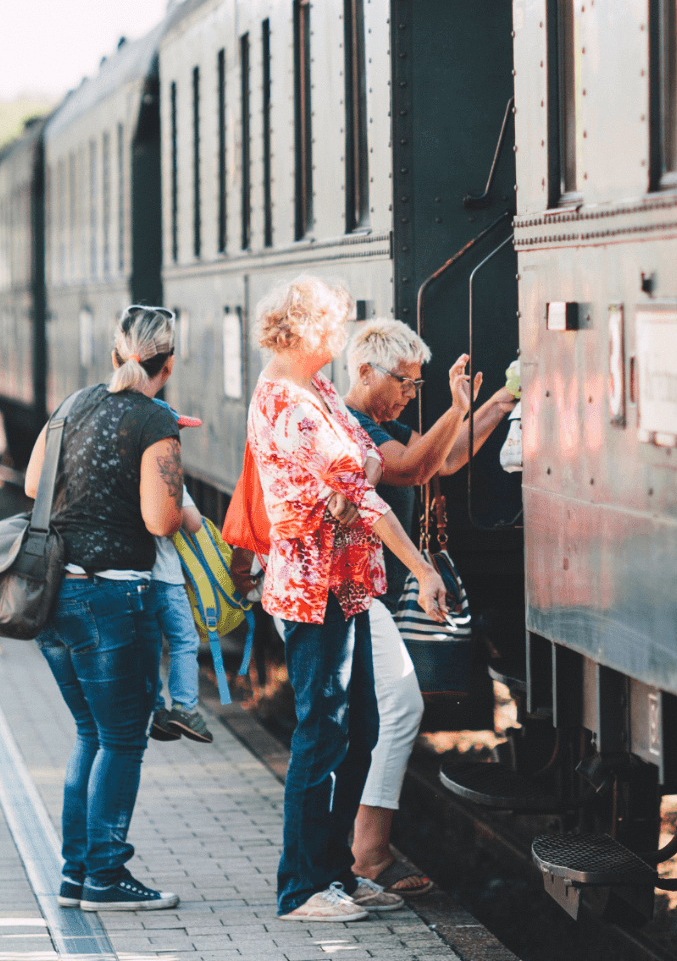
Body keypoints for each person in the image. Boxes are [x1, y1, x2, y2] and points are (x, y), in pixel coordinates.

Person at [247, 274, 447, 923]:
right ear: (307, 331)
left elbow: (364, 461)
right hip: (313, 592)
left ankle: (338, 873)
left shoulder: (319, 389)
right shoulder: (289, 403)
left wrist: (345, 490)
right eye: (331, 325)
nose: (339, 335)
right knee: (322, 733)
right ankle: (302, 888)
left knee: (359, 725)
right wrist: (419, 567)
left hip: (349, 584)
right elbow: (359, 491)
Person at [338, 319, 518, 897]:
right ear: (365, 371)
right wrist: (458, 407)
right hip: (361, 591)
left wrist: (496, 402)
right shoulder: (356, 425)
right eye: (406, 384)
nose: (410, 395)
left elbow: (444, 459)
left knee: (384, 713)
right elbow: (416, 465)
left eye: (417, 387)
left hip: (379, 592)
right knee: (392, 711)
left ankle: (364, 849)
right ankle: (364, 852)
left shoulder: (384, 421)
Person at [22, 305, 184, 912]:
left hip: (55, 593)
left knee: (90, 734)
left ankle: (76, 876)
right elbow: (159, 519)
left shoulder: (73, 405)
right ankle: (107, 879)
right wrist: (187, 510)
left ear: (116, 354)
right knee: (121, 741)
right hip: (114, 599)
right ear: (168, 363)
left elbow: (36, 484)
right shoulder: (154, 419)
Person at [145, 396, 214, 744]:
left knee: (149, 645)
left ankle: (156, 709)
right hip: (166, 578)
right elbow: (194, 522)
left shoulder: (130, 468)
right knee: (184, 640)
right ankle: (185, 708)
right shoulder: (168, 474)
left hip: (135, 578)